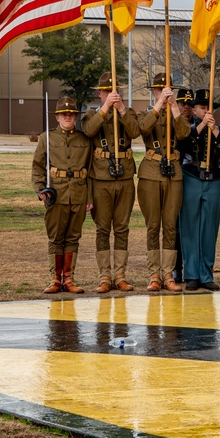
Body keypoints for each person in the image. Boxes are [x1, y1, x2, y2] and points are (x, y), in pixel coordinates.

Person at [81, 72, 140, 293]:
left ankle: (120, 274)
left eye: (114, 92)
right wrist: (106, 108)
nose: (111, 95)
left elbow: (135, 132)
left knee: (122, 228)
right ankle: (105, 275)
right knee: (103, 228)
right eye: (107, 91)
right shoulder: (91, 114)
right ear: (99, 93)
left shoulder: (127, 113)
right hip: (101, 179)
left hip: (124, 177)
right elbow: (89, 131)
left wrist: (122, 109)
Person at [32, 96, 92, 294]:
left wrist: (90, 197)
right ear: (57, 117)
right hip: (55, 194)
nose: (68, 117)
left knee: (73, 237)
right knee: (56, 237)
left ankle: (69, 278)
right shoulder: (46, 138)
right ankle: (55, 279)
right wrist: (41, 189)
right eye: (64, 114)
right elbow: (38, 166)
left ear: (76, 117)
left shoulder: (84, 140)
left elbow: (90, 170)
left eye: (71, 114)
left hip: (78, 193)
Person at [137, 73, 190, 292]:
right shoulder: (147, 112)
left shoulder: (176, 113)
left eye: (167, 90)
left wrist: (174, 107)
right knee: (153, 226)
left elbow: (185, 134)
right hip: (151, 171)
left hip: (173, 172)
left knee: (170, 225)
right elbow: (143, 129)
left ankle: (168, 273)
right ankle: (153, 274)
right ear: (153, 92)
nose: (164, 93)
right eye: (159, 90)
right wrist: (159, 104)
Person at [178, 89, 220, 290]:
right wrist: (202, 126)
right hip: (191, 177)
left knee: (209, 229)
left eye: (209, 108)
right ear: (194, 110)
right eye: (202, 108)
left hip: (213, 179)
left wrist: (215, 130)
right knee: (190, 228)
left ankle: (206, 273)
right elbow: (185, 144)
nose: (207, 111)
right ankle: (191, 274)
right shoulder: (189, 129)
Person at [171, 88, 194, 283]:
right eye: (182, 104)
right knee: (176, 226)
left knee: (192, 227)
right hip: (177, 176)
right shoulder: (173, 125)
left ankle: (192, 268)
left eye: (189, 104)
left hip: (195, 178)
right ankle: (176, 268)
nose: (186, 108)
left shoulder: (200, 124)